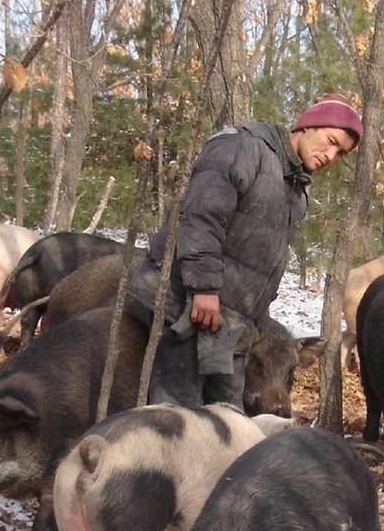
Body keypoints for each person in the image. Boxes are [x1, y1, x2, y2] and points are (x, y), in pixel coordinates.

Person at [126, 93, 364, 408]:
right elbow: (200, 217)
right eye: (331, 140)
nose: (331, 154)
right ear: (309, 125)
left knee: (226, 410)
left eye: (341, 152)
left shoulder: (295, 187)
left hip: (223, 323)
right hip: (185, 305)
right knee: (178, 414)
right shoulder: (243, 148)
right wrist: (203, 288)